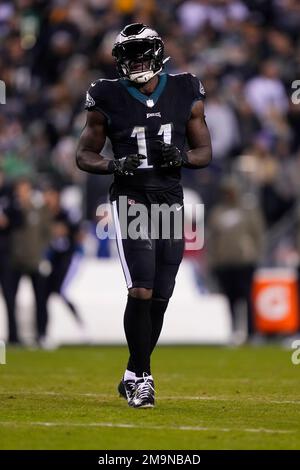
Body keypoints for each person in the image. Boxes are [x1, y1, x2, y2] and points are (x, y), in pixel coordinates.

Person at [76, 23, 212, 408]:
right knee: (141, 288)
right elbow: (84, 154)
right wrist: (113, 166)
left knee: (161, 296)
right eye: (127, 55)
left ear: (155, 53)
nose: (134, 61)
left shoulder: (186, 87)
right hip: (132, 197)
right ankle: (144, 378)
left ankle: (134, 371)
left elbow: (205, 151)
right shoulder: (106, 94)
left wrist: (183, 157)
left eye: (139, 53)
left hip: (169, 199)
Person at [207, 177, 265, 343]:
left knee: (247, 297)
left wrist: (255, 254)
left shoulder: (248, 211)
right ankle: (233, 331)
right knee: (230, 299)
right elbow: (212, 239)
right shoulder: (217, 213)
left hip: (244, 262)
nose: (228, 195)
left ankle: (252, 333)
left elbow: (258, 234)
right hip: (224, 263)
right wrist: (213, 260)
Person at [11, 178, 51, 345]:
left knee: (41, 299)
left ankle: (41, 334)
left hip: (35, 261)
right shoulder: (13, 209)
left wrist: (44, 255)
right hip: (16, 261)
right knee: (11, 299)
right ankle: (13, 336)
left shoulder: (39, 209)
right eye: (20, 190)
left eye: (25, 189)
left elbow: (47, 233)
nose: (23, 193)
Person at [43, 185, 82, 325]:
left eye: (50, 196)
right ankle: (43, 331)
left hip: (67, 259)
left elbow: (78, 235)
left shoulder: (65, 214)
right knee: (45, 294)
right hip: (52, 260)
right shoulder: (44, 215)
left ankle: (80, 325)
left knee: (61, 290)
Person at [0, 169, 22, 344]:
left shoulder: (9, 196)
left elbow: (19, 220)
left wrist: (7, 221)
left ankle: (13, 336)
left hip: (6, 254)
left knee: (10, 296)